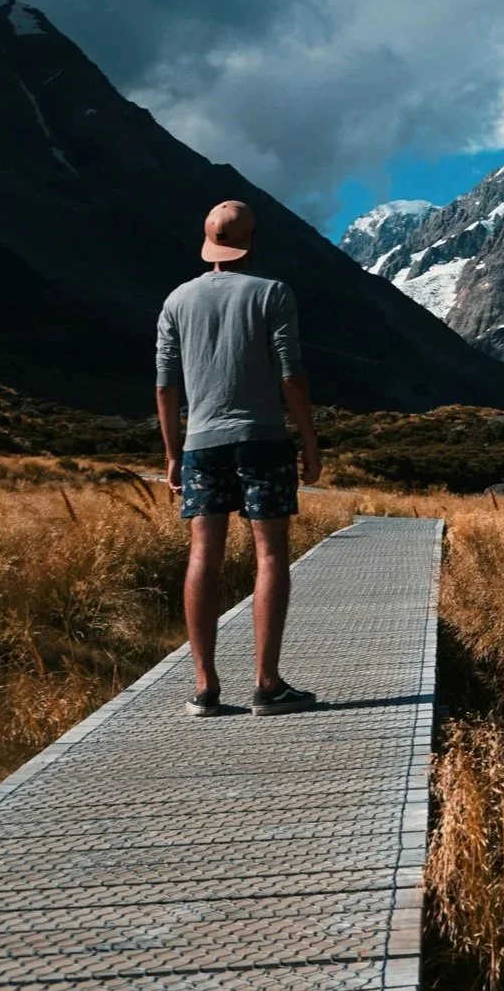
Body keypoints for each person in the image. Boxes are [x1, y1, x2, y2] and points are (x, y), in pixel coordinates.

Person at [155, 200, 322, 717]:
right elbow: (290, 375)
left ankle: (205, 688)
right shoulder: (272, 294)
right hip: (263, 440)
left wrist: (172, 453)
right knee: (269, 554)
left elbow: (165, 386)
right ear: (252, 240)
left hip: (200, 444)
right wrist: (310, 440)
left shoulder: (176, 300)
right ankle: (267, 685)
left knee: (203, 554)